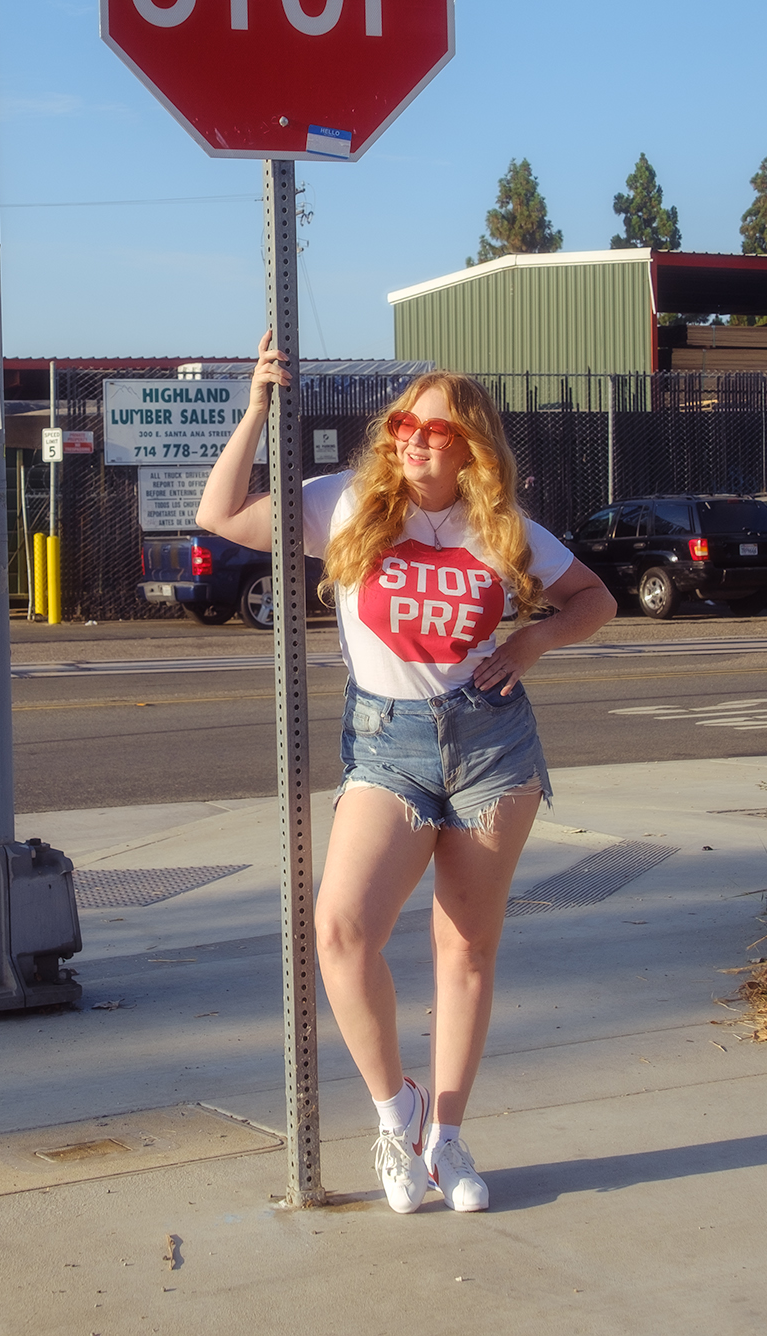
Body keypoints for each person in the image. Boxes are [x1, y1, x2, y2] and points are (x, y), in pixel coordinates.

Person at [195, 335, 616, 1214]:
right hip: (387, 745)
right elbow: (221, 514)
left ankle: (448, 1140)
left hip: (493, 747)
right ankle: (398, 1116)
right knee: (342, 931)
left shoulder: (505, 530)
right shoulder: (347, 505)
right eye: (403, 425)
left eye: (436, 429)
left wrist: (532, 641)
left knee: (465, 948)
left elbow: (596, 599)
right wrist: (257, 407)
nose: (414, 439)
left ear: (471, 446)